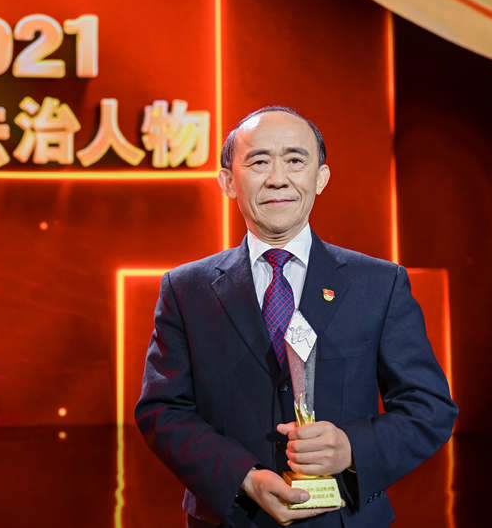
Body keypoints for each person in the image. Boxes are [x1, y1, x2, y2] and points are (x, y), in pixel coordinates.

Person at [135, 106, 457, 527]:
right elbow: (162, 410)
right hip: (232, 517)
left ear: (320, 177)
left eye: (295, 160)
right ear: (228, 181)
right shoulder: (186, 289)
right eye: (258, 162)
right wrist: (242, 478)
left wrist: (352, 449)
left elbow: (429, 407)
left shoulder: (379, 284)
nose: (277, 178)